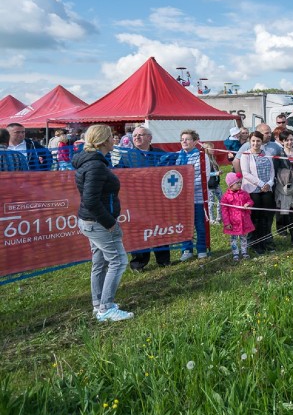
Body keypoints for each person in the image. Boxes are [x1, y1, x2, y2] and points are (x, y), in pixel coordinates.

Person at [72, 124, 133, 322]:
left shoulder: (92, 162)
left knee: (100, 263)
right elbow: (90, 200)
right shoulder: (95, 165)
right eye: (112, 137)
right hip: (98, 223)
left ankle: (99, 304)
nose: (114, 140)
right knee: (118, 261)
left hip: (92, 222)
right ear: (104, 140)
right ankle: (105, 308)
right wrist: (109, 223)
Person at [124, 126, 172, 270]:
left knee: (160, 229)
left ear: (150, 138)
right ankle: (139, 262)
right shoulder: (128, 156)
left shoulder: (160, 154)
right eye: (135, 136)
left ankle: (163, 260)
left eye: (141, 135)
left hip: (157, 200)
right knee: (139, 231)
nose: (137, 137)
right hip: (137, 201)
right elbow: (121, 174)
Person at [176, 129, 211, 261]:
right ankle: (186, 249)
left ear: (195, 141)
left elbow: (204, 177)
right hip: (181, 199)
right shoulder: (177, 156)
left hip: (197, 197)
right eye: (182, 139)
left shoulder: (202, 156)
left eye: (188, 139)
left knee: (199, 224)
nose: (184, 141)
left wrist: (188, 189)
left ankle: (201, 248)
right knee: (184, 224)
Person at [240, 131, 276, 254]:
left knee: (266, 218)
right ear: (250, 141)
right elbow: (246, 173)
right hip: (253, 190)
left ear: (262, 142)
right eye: (253, 141)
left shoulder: (267, 154)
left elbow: (272, 171)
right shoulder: (246, 154)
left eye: (258, 141)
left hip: (267, 189)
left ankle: (266, 241)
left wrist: (269, 184)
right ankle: (256, 244)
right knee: (255, 218)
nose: (256, 143)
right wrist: (260, 184)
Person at [221, 172, 254, 260]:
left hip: (243, 221)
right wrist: (227, 223)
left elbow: (250, 201)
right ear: (231, 184)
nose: (240, 184)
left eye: (240, 182)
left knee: (244, 237)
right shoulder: (226, 197)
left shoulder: (244, 193)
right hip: (233, 222)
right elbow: (224, 211)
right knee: (234, 239)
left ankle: (244, 252)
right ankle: (235, 253)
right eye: (237, 183)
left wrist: (248, 204)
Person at [202, 142, 221, 224]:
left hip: (216, 183)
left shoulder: (213, 158)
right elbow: (205, 172)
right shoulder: (205, 160)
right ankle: (211, 219)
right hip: (210, 184)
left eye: (213, 148)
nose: (213, 150)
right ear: (206, 149)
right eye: (211, 148)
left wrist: (218, 172)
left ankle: (219, 217)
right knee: (211, 202)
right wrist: (215, 173)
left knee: (222, 200)